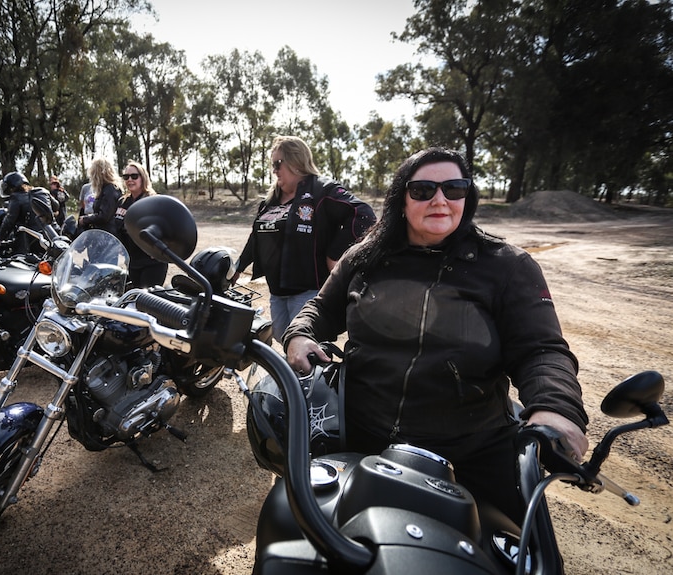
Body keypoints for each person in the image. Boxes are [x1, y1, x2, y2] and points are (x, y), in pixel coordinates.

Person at [283, 146, 589, 524]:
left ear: (467, 196)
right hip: (363, 435)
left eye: (454, 189)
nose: (441, 200)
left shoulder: (508, 266)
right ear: (402, 199)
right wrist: (299, 334)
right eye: (424, 190)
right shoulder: (365, 257)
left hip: (471, 450)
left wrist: (555, 407)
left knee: (522, 553)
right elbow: (322, 309)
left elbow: (541, 349)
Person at [233, 135, 375, 341]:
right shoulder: (270, 200)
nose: (273, 170)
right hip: (277, 292)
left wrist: (335, 253)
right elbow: (256, 236)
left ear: (295, 161)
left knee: (304, 349)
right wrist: (238, 266)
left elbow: (363, 214)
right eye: (271, 165)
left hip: (309, 292)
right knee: (283, 340)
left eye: (277, 164)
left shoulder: (321, 189)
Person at [111, 160, 168, 288]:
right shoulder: (123, 201)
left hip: (151, 263)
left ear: (143, 178)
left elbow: (165, 229)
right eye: (126, 177)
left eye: (134, 176)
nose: (130, 180)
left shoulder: (154, 201)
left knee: (148, 302)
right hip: (132, 262)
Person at [0, 171, 44, 255]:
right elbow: (56, 206)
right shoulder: (39, 193)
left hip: (28, 239)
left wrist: (0, 238)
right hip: (45, 235)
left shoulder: (16, 197)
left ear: (12, 186)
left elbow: (9, 220)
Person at [78, 158, 122, 234]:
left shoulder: (109, 189)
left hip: (108, 234)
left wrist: (86, 219)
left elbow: (104, 216)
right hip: (104, 233)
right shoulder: (106, 189)